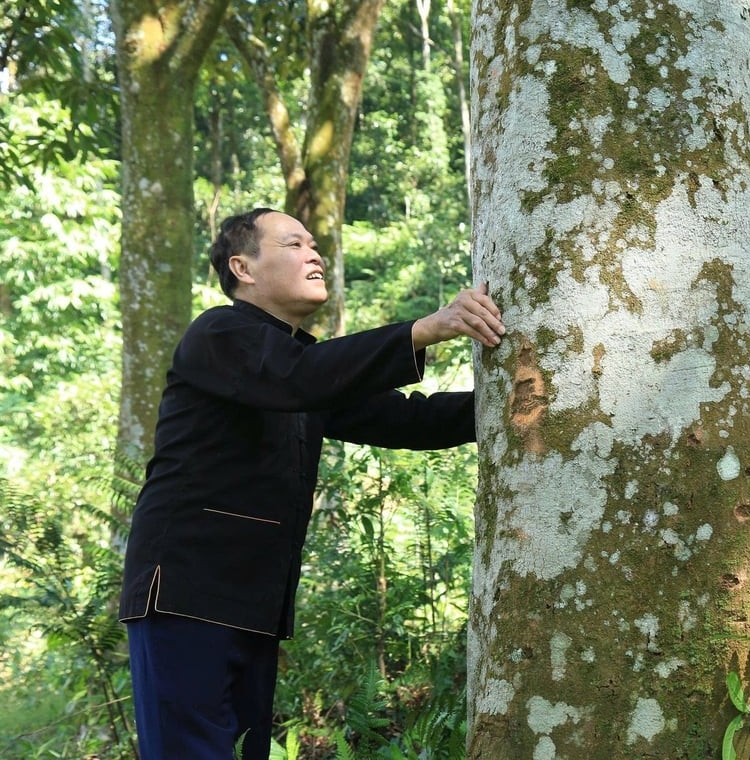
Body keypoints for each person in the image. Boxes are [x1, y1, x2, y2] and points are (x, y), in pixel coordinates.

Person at [118, 207, 505, 760]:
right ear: (242, 268)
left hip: (253, 598)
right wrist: (425, 330)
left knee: (246, 750)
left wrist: (515, 408)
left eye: (315, 245)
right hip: (184, 590)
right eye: (294, 244)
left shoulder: (302, 360)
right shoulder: (220, 332)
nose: (314, 254)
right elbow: (298, 378)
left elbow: (401, 419)